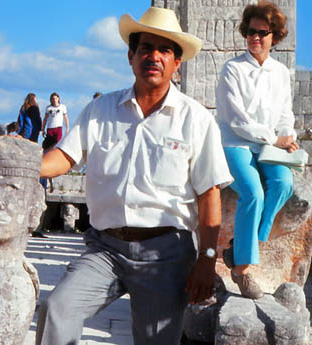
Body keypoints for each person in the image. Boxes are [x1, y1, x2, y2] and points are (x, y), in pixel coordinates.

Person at [35, 7, 233, 345]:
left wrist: (207, 260)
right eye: (145, 49)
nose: (153, 56)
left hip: (166, 253)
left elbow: (209, 193)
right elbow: (64, 158)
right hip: (105, 249)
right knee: (57, 307)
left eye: (164, 50)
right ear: (131, 57)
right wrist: (19, 162)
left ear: (176, 63)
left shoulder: (196, 120)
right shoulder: (101, 110)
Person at [215, 0, 296, 300]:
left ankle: (240, 247)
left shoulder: (280, 73)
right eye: (251, 32)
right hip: (235, 143)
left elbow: (285, 113)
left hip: (270, 146)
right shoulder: (232, 69)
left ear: (274, 36)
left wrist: (289, 136)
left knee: (284, 183)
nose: (255, 38)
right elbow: (237, 121)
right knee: (253, 192)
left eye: (262, 32)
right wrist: (274, 139)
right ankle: (242, 270)